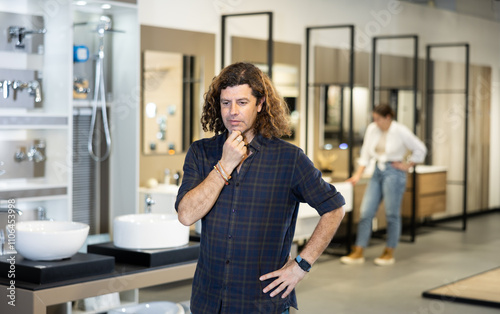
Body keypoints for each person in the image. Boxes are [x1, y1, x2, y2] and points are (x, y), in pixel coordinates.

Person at [175, 62, 345, 313]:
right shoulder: (201, 153)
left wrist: (301, 265)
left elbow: (334, 208)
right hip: (208, 300)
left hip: (262, 303)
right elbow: (186, 214)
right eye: (225, 102)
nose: (232, 111)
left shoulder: (289, 159)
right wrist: (224, 165)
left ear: (260, 103)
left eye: (242, 102)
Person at [340, 104, 427, 266]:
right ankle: (359, 250)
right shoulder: (373, 129)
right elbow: (365, 152)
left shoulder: (400, 130)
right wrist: (358, 175)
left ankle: (389, 251)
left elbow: (420, 148)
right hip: (377, 172)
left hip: (394, 172)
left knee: (391, 214)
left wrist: (407, 165)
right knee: (366, 211)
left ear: (388, 117)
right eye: (374, 119)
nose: (376, 122)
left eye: (379, 119)